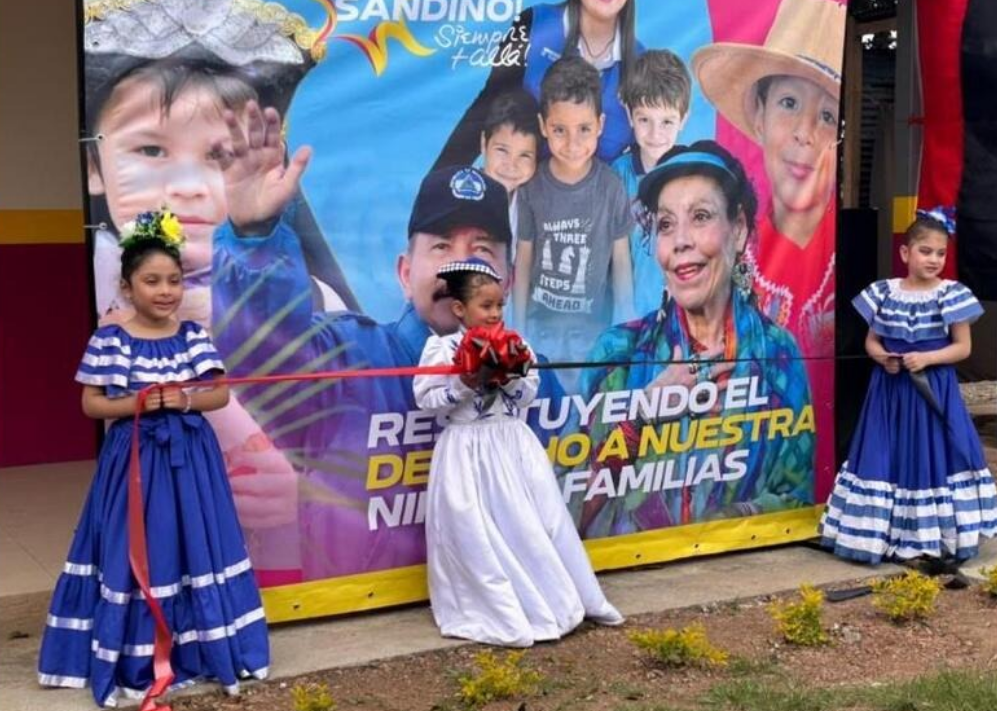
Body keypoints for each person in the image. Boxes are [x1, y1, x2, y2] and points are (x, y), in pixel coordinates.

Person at [81, 0, 358, 586]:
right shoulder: (109, 304)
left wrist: (298, 486)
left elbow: (340, 422)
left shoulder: (313, 301)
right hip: (150, 472)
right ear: (94, 166)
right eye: (150, 150)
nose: (187, 187)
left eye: (220, 157)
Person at [212, 138, 567, 578]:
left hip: (501, 603)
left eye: (481, 251)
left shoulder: (536, 380)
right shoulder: (346, 357)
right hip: (365, 612)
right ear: (405, 273)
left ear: (508, 281)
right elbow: (265, 352)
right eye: (441, 247)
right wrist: (253, 239)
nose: (460, 269)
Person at [38, 212, 269, 707]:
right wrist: (138, 404)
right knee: (139, 547)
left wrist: (182, 400)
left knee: (194, 542)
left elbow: (219, 394)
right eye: (152, 281)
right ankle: (137, 656)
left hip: (191, 460)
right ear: (126, 286)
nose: (165, 291)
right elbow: (92, 404)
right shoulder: (110, 339)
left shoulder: (192, 336)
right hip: (135, 462)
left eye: (174, 280)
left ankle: (205, 650)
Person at [577, 141, 814, 537]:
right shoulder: (616, 354)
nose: (680, 241)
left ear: (738, 229)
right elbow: (567, 512)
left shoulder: (778, 354)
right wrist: (642, 415)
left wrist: (724, 522)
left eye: (700, 216)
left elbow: (797, 499)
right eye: (666, 224)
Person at [413, 258, 623, 647]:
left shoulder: (518, 344)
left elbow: (527, 394)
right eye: (486, 306)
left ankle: (559, 598)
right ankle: (500, 608)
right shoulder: (441, 348)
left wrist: (507, 374)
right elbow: (428, 400)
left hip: (513, 446)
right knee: (474, 529)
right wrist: (466, 381)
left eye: (500, 305)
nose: (495, 313)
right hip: (466, 452)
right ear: (459, 308)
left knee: (536, 522)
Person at [691, 0, 845, 492]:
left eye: (827, 115)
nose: (805, 134)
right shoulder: (718, 254)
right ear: (757, 115)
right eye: (789, 104)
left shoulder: (847, 265)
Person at [819, 210, 997, 565]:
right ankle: (881, 533)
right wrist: (883, 358)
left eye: (940, 253)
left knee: (931, 453)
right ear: (905, 253)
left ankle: (930, 535)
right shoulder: (884, 293)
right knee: (886, 453)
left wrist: (928, 358)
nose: (934, 259)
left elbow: (962, 348)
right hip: (889, 392)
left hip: (933, 390)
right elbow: (872, 341)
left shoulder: (951, 295)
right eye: (925, 251)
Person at [513, 56, 635, 381]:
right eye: (559, 130)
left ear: (600, 125)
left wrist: (626, 326)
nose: (572, 144)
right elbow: (523, 262)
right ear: (543, 126)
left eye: (584, 129)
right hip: (540, 332)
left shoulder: (611, 187)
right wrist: (518, 330)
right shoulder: (532, 187)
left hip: (591, 334)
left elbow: (621, 263)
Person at [435, 0, 642, 168]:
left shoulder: (640, 62)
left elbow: (643, 155)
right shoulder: (534, 23)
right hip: (520, 197)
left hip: (598, 202)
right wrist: (439, 183)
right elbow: (489, 104)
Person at [610, 49, 692, 316]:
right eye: (644, 119)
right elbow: (619, 253)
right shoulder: (618, 174)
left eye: (667, 121)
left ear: (683, 119)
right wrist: (626, 316)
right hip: (629, 313)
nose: (656, 134)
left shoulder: (693, 176)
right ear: (629, 114)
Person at [479, 90, 541, 258]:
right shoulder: (459, 198)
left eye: (524, 155)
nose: (511, 165)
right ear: (484, 143)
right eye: (502, 150)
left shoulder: (533, 203)